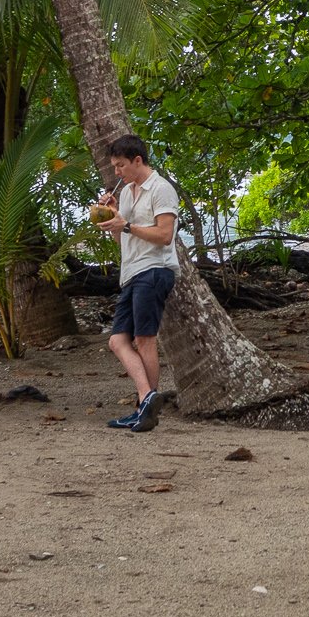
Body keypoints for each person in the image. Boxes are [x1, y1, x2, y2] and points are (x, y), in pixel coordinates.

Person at [97, 134, 181, 432]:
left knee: (145, 339)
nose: (117, 172)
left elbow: (164, 236)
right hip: (131, 272)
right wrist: (113, 217)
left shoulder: (161, 189)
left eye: (120, 166)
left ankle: (144, 409)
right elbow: (121, 237)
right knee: (117, 340)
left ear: (137, 160)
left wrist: (128, 224)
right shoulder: (129, 193)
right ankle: (147, 398)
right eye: (114, 167)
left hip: (154, 269)